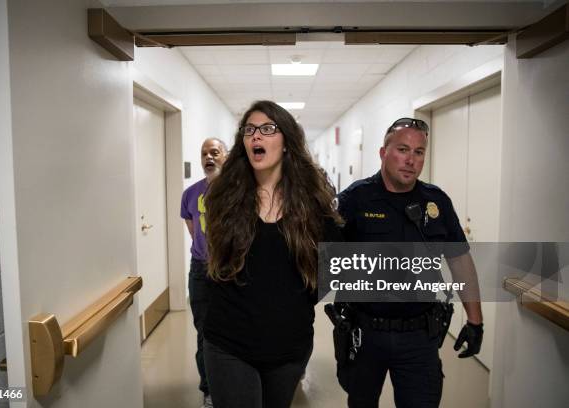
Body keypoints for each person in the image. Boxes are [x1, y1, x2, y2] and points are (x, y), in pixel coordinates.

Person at [202, 100, 342, 408]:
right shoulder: (225, 197)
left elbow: (329, 273)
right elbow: (217, 264)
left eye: (267, 129)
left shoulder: (313, 204)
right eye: (250, 130)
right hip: (229, 343)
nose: (256, 136)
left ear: (287, 142)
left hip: (288, 347)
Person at [336, 117, 484, 408]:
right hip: (365, 334)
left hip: (419, 336)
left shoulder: (436, 202)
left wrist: (475, 320)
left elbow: (460, 260)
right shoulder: (356, 199)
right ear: (383, 153)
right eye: (403, 149)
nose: (411, 160)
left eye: (419, 152)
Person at [180, 137, 228, 408]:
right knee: (204, 333)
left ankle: (230, 384)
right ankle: (209, 390)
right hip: (200, 270)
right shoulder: (190, 194)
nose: (209, 157)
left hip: (231, 270)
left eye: (215, 152)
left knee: (232, 329)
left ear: (226, 156)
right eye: (204, 154)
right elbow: (193, 229)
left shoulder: (237, 191)